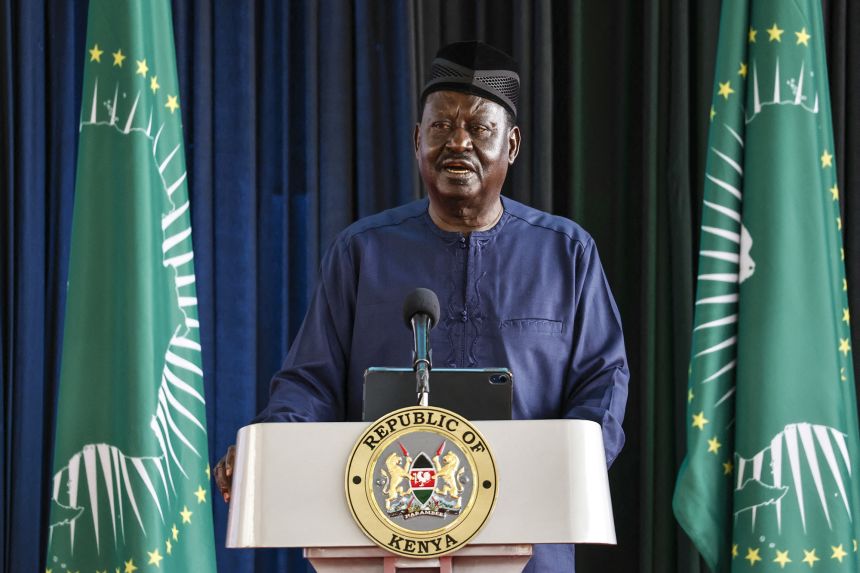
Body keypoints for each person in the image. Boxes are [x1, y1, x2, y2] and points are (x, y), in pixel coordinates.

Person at [215, 41, 629, 572]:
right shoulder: (363, 252)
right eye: (440, 127)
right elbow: (311, 382)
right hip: (378, 544)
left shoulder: (566, 253)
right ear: (417, 140)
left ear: (513, 145)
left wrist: (566, 466)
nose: (458, 142)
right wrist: (265, 451)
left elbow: (603, 383)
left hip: (529, 547)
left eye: (480, 129)